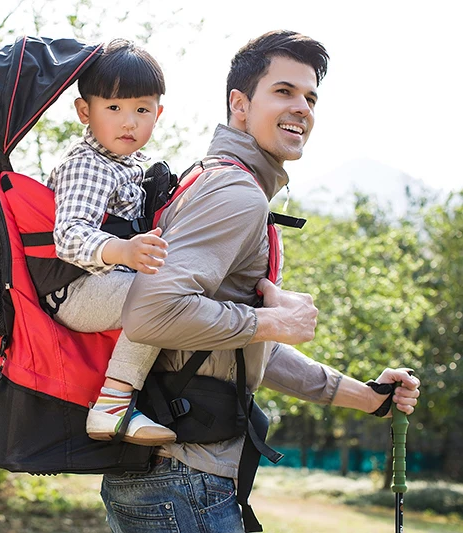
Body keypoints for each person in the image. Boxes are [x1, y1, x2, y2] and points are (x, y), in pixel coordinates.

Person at [100, 30, 422, 533]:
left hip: (170, 475)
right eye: (283, 91)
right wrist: (270, 321)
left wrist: (369, 398)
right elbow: (150, 314)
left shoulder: (218, 180)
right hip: (183, 480)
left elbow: (243, 349)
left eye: (310, 97)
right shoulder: (235, 192)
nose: (302, 108)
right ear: (240, 104)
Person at [46, 38, 176, 446]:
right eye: (114, 108)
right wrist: (124, 251)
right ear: (85, 111)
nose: (129, 123)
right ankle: (113, 405)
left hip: (101, 284)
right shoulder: (89, 165)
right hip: (75, 290)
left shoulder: (125, 165)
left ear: (158, 114)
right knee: (162, 296)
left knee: (172, 289)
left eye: (142, 110)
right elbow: (69, 236)